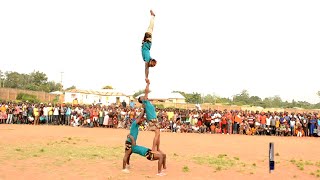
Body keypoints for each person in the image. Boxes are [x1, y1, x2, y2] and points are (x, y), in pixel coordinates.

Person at [138, 79, 161, 151]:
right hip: (152, 120)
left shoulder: (147, 102)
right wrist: (148, 84)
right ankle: (154, 149)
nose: (143, 96)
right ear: (142, 100)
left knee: (158, 134)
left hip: (153, 119)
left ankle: (157, 148)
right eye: (142, 97)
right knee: (157, 134)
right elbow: (146, 91)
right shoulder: (145, 101)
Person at [142, 10, 157, 82]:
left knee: (151, 28)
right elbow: (146, 68)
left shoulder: (148, 57)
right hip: (147, 40)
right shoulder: (148, 58)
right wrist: (146, 77)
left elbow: (147, 67)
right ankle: (153, 16)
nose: (147, 64)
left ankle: (153, 17)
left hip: (147, 42)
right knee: (150, 28)